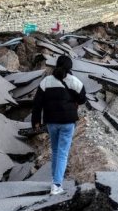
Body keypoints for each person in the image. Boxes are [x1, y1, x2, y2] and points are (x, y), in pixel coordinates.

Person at [31, 55, 87, 195]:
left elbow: (37, 103)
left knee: (55, 151)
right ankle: (56, 185)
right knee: (62, 153)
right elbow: (83, 98)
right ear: (69, 67)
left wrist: (36, 121)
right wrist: (73, 101)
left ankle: (54, 180)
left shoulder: (46, 81)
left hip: (52, 122)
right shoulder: (74, 81)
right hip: (68, 122)